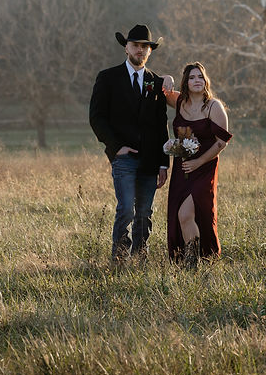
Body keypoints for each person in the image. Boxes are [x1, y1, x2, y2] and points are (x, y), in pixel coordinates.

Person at [89, 24, 170, 262]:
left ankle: (140, 257)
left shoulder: (156, 83)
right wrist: (115, 148)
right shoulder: (108, 78)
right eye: (136, 45)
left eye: (145, 47)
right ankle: (120, 257)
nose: (140, 51)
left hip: (150, 158)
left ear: (150, 51)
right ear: (126, 48)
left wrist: (164, 163)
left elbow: (160, 124)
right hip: (123, 156)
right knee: (126, 209)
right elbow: (96, 117)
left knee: (144, 213)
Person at [162, 62, 231, 265]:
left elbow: (221, 142)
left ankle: (197, 259)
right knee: (180, 215)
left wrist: (199, 162)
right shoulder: (180, 102)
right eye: (192, 77)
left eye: (200, 76)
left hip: (205, 168)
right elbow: (163, 89)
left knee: (188, 213)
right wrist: (167, 78)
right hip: (182, 168)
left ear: (206, 80)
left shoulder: (213, 106)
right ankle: (189, 263)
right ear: (186, 82)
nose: (197, 80)